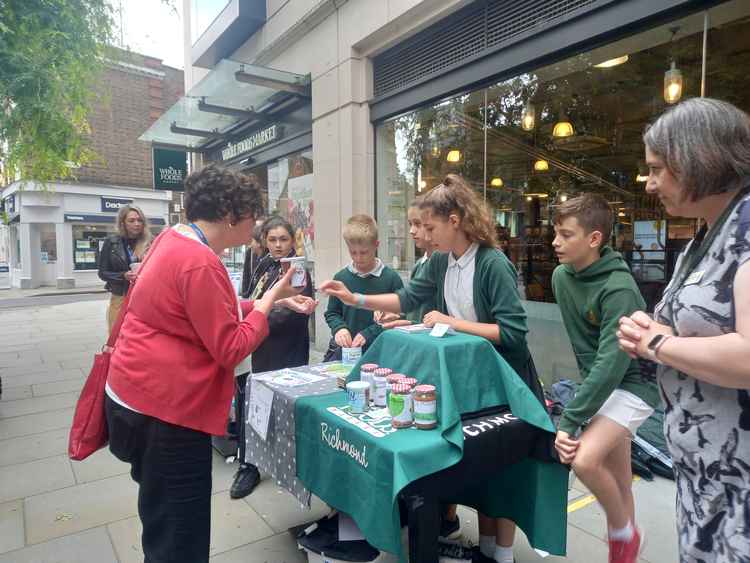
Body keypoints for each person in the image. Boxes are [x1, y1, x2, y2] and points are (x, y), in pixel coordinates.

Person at [321, 174, 541, 563]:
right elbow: (407, 298)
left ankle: (501, 555)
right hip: (468, 383)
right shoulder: (440, 261)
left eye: (428, 226)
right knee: (481, 474)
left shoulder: (493, 264)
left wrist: (454, 323)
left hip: (504, 383)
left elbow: (513, 334)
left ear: (455, 220)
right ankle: (488, 552)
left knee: (503, 475)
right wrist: (354, 296)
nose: (421, 233)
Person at [104, 165, 316, 563]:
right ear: (232, 215)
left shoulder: (174, 240)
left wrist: (272, 301)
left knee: (161, 518)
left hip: (136, 401)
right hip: (165, 415)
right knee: (180, 537)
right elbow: (231, 347)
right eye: (253, 216)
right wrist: (271, 301)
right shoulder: (200, 259)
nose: (255, 228)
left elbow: (205, 307)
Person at [616, 98, 750, 563]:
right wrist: (653, 331)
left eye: (657, 169)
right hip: (705, 470)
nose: (649, 184)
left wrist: (656, 342)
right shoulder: (706, 234)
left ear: (697, 158)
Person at [551, 193, 659, 562]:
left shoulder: (619, 289)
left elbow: (613, 364)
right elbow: (589, 354)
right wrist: (586, 402)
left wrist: (572, 419)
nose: (555, 242)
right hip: (604, 380)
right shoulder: (561, 278)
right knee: (618, 473)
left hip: (636, 383)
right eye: (555, 233)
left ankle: (623, 535)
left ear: (594, 239)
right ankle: (624, 552)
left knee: (583, 460)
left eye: (566, 234)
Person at [230, 215, 315, 499]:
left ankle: (283, 465)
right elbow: (251, 295)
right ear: (265, 241)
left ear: (293, 241)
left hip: (284, 350)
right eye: (273, 239)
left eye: (284, 239)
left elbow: (292, 312)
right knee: (249, 406)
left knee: (279, 410)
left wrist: (253, 320)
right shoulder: (263, 262)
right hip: (257, 348)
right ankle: (248, 464)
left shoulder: (297, 269)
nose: (278, 245)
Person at [323, 214, 404, 360]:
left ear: (376, 245)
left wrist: (370, 332)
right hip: (347, 352)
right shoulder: (341, 278)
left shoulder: (391, 279)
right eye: (353, 252)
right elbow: (332, 313)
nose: (358, 258)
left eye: (364, 252)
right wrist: (339, 329)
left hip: (381, 352)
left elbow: (400, 317)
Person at [98, 205, 152, 333]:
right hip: (120, 297)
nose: (137, 224)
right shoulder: (111, 242)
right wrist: (123, 276)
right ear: (122, 223)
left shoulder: (150, 242)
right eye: (131, 220)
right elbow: (102, 273)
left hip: (143, 299)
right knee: (116, 337)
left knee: (141, 338)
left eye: (140, 220)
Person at [240, 223, 265, 298]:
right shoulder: (250, 252)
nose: (250, 244)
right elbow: (246, 274)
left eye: (252, 241)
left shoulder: (268, 261)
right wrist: (245, 294)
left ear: (259, 243)